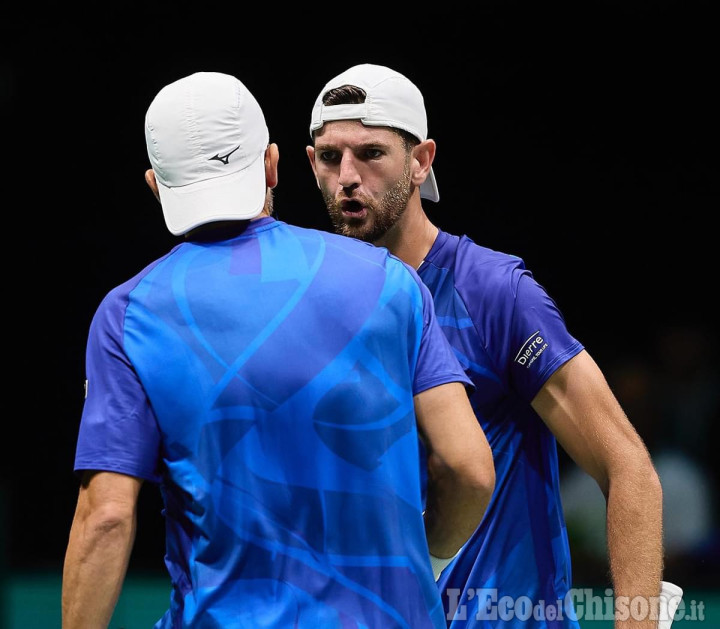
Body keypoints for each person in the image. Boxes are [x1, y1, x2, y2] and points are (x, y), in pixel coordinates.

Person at [61, 71, 496, 629]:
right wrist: (423, 567)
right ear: (271, 164)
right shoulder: (391, 282)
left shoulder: (128, 316)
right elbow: (468, 469)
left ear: (155, 186)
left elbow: (106, 518)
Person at [306, 63, 673, 628]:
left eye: (371, 153)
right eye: (330, 157)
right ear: (310, 164)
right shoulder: (314, 305)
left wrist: (638, 622)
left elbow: (628, 469)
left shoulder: (495, 292)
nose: (348, 176)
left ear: (422, 159)